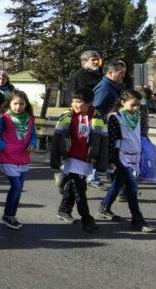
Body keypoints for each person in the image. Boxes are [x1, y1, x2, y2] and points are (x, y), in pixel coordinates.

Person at [49, 87, 107, 233]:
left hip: (86, 159)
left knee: (76, 186)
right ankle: (87, 219)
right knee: (79, 188)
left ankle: (63, 209)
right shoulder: (67, 116)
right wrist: (54, 159)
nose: (75, 105)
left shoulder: (98, 117)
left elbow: (104, 141)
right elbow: (56, 139)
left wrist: (103, 162)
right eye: (73, 101)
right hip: (71, 158)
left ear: (89, 104)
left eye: (79, 102)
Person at [98, 90, 155, 232]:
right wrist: (110, 160)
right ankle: (137, 219)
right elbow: (111, 140)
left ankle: (104, 207)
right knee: (132, 187)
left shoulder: (136, 116)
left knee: (118, 182)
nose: (136, 108)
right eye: (133, 105)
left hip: (134, 156)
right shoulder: (114, 117)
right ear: (122, 102)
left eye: (139, 105)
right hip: (121, 157)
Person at [0, 90, 38, 230]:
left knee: (19, 188)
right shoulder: (3, 118)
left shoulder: (29, 118)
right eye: (15, 103)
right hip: (8, 158)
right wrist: (4, 148)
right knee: (16, 186)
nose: (18, 107)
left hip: (23, 158)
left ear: (26, 104)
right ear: (9, 104)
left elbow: (33, 135)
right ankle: (8, 215)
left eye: (21, 104)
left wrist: (33, 144)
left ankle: (11, 215)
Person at [89, 60, 127, 189]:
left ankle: (116, 185)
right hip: (100, 126)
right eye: (120, 73)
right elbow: (95, 108)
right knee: (99, 152)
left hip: (106, 125)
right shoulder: (105, 88)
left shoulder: (112, 86)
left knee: (106, 154)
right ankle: (92, 177)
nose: (123, 76)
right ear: (111, 73)